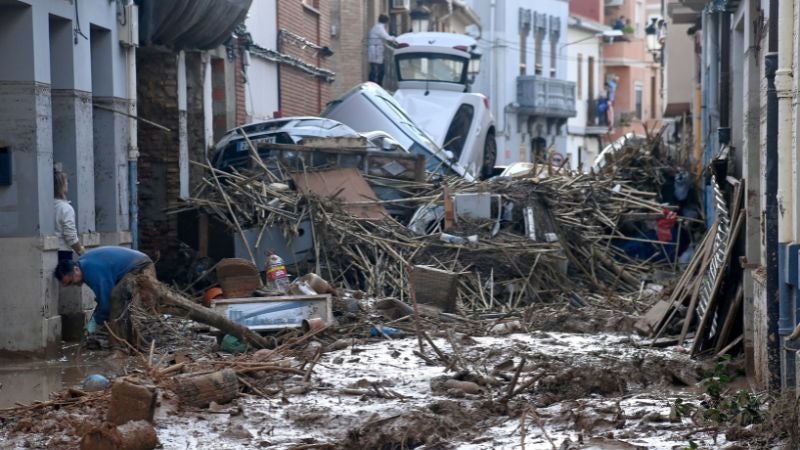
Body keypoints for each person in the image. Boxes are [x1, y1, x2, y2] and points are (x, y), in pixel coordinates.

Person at [54, 246, 154, 338]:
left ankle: (119, 347)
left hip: (140, 266)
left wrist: (94, 325)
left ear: (76, 270)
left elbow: (107, 304)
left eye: (71, 282)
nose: (73, 285)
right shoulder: (83, 264)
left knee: (116, 298)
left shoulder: (91, 271)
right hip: (136, 262)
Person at [54, 168, 85, 261]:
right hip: (64, 252)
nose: (67, 184)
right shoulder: (66, 208)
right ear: (61, 186)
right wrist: (81, 252)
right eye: (66, 182)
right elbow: (71, 237)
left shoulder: (46, 207)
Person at [367, 14, 396, 86]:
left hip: (377, 51)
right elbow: (387, 37)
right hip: (375, 51)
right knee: (376, 70)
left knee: (379, 69)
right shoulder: (379, 28)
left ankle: (377, 84)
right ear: (386, 22)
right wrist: (395, 38)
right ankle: (375, 84)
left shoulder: (378, 27)